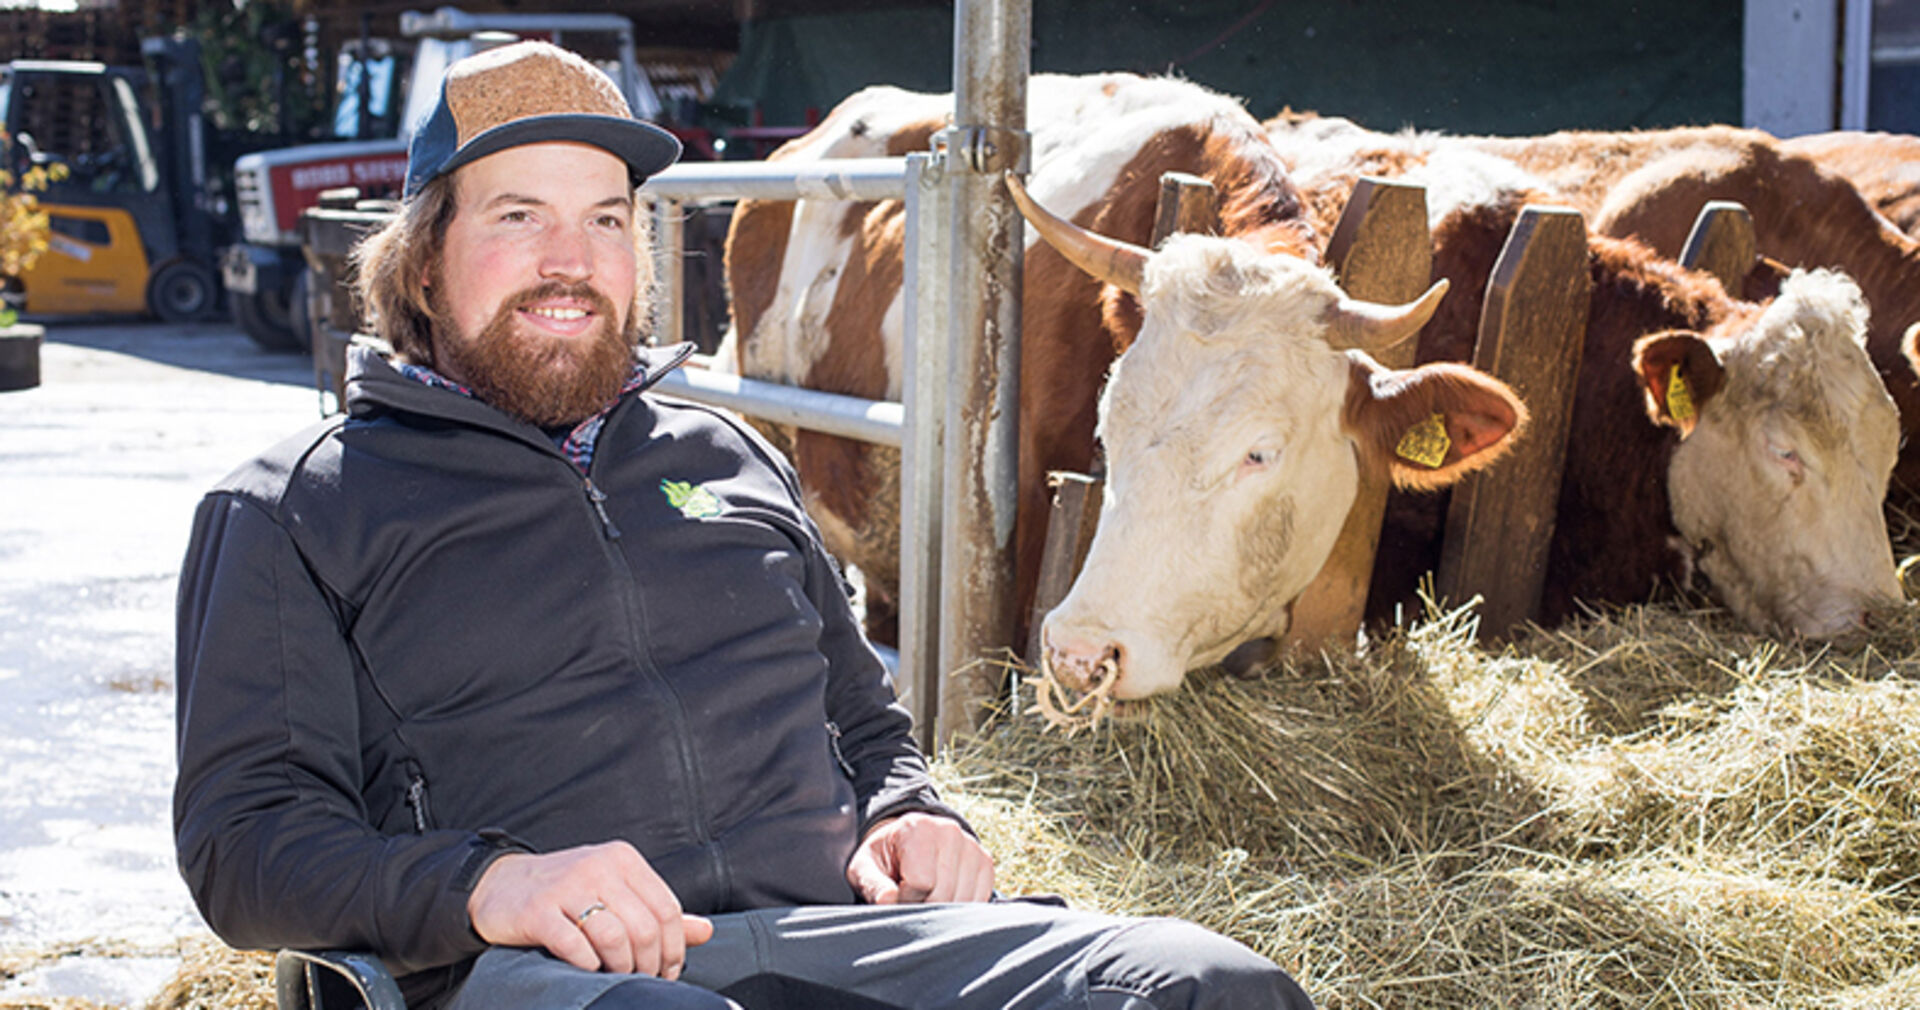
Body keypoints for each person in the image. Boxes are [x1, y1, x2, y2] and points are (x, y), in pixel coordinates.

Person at [172, 40, 1315, 1010]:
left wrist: (907, 811)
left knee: (1211, 982)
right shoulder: (297, 508)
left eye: (606, 220)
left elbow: (865, 720)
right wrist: (487, 884)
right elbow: (243, 845)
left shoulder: (725, 455)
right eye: (520, 217)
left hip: (839, 935)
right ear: (421, 262)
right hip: (548, 972)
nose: (572, 261)